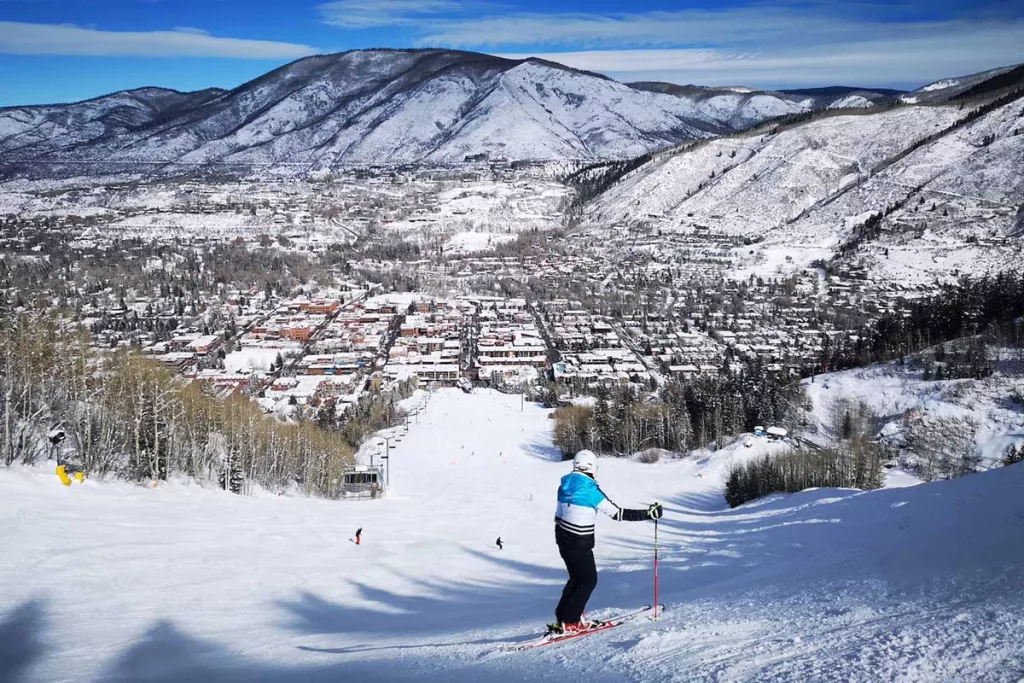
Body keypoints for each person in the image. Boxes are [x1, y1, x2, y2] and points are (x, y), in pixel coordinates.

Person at [551, 450, 662, 635]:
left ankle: (564, 617)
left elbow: (561, 513)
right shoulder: (590, 489)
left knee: (577, 578)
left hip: (563, 538)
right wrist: (648, 514)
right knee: (588, 580)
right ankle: (570, 621)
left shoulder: (564, 485)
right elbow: (617, 513)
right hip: (579, 541)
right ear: (593, 467)